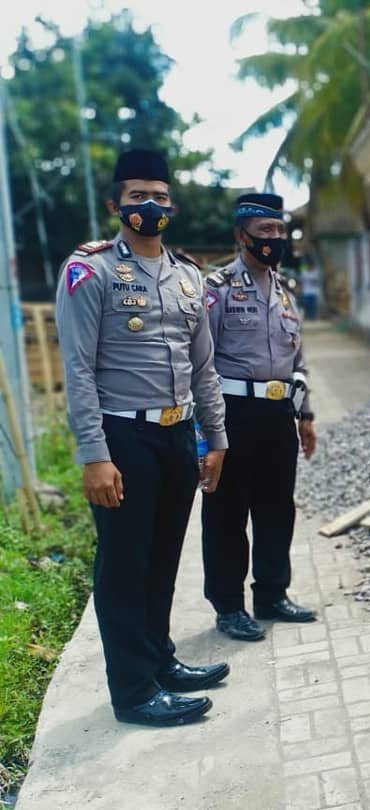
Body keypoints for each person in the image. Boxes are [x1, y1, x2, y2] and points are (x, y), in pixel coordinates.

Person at [55, 149, 230, 727]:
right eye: (137, 196)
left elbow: (203, 366)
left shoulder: (188, 276)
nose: (150, 205)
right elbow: (78, 369)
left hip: (178, 434)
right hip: (122, 436)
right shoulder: (92, 270)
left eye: (160, 195)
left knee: (162, 559)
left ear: (172, 206)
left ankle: (160, 662)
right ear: (116, 204)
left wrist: (215, 438)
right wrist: (93, 455)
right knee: (125, 566)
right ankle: (133, 692)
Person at [201, 193, 318, 642]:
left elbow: (298, 359)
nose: (275, 238)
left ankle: (271, 593)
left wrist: (305, 414)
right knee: (227, 514)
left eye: (280, 230)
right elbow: (200, 362)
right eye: (265, 230)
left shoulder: (285, 292)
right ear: (241, 235)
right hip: (232, 414)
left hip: (277, 414)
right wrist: (207, 433)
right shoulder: (217, 289)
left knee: (276, 508)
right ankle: (228, 606)